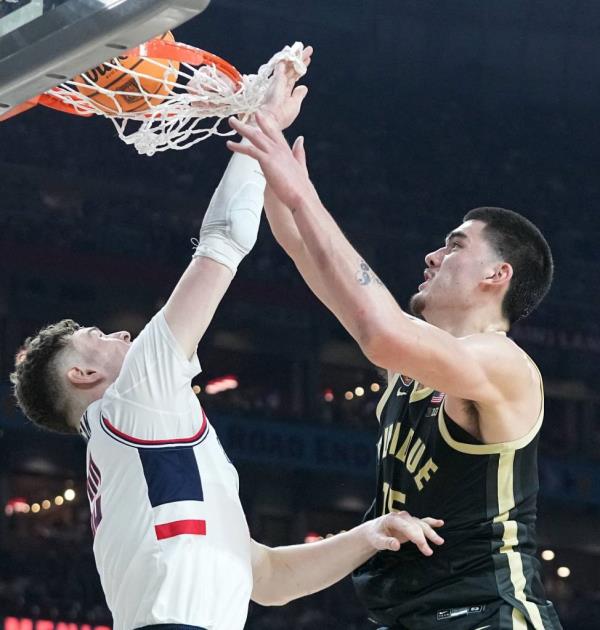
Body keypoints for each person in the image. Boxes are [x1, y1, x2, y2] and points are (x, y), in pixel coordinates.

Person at [10, 50, 444, 630]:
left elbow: (263, 577)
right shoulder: (133, 399)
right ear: (83, 377)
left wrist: (369, 534)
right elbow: (219, 245)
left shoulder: (146, 428)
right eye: (96, 336)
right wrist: (264, 125)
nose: (119, 332)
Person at [227, 108, 563, 629]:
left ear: (498, 274)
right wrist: (264, 130)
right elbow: (302, 247)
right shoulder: (409, 367)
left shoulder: (506, 365)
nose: (431, 256)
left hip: (489, 616)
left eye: (454, 245)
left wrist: (303, 194)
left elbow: (381, 330)